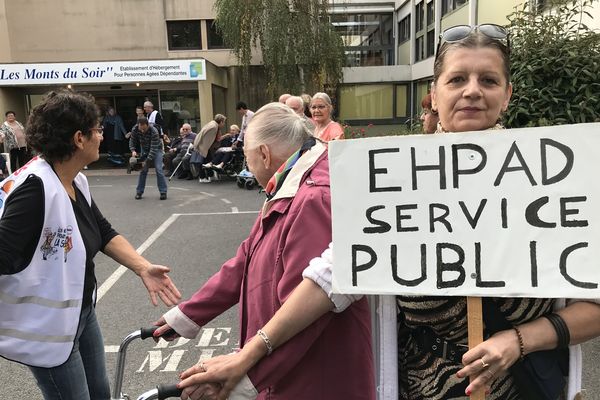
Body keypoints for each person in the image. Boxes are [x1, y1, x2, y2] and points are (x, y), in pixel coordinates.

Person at [175, 24, 600, 400]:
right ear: (434, 94)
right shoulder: (400, 179)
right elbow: (333, 275)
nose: (472, 90)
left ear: (507, 94)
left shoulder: (551, 175)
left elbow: (594, 304)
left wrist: (518, 341)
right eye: (457, 79)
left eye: (488, 79)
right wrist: (248, 355)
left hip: (524, 388)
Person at [154, 102, 374, 400]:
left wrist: (243, 377)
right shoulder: (290, 182)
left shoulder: (313, 198)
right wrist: (188, 314)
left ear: (264, 154)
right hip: (292, 373)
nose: (249, 168)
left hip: (314, 380)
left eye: (247, 159)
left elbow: (306, 312)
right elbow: (246, 257)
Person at [0, 90, 181, 400]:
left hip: (80, 312)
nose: (102, 135)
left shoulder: (75, 180)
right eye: (97, 129)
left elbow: (101, 229)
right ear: (79, 138)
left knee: (100, 393)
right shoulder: (35, 190)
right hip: (48, 330)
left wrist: (142, 267)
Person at [129, 116, 168, 200]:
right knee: (143, 171)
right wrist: (133, 150)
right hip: (144, 149)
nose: (142, 131)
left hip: (156, 149)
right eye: (141, 129)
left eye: (144, 129)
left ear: (147, 125)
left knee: (159, 169)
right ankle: (139, 192)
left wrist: (146, 161)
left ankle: (163, 192)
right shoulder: (135, 129)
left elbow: (153, 149)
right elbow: (132, 141)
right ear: (138, 125)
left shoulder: (154, 131)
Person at [191, 114, 226, 183]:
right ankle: (202, 177)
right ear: (221, 121)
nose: (224, 124)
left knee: (208, 161)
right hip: (204, 147)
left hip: (203, 146)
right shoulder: (214, 127)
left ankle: (210, 175)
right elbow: (208, 138)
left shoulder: (212, 124)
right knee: (203, 161)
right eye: (224, 122)